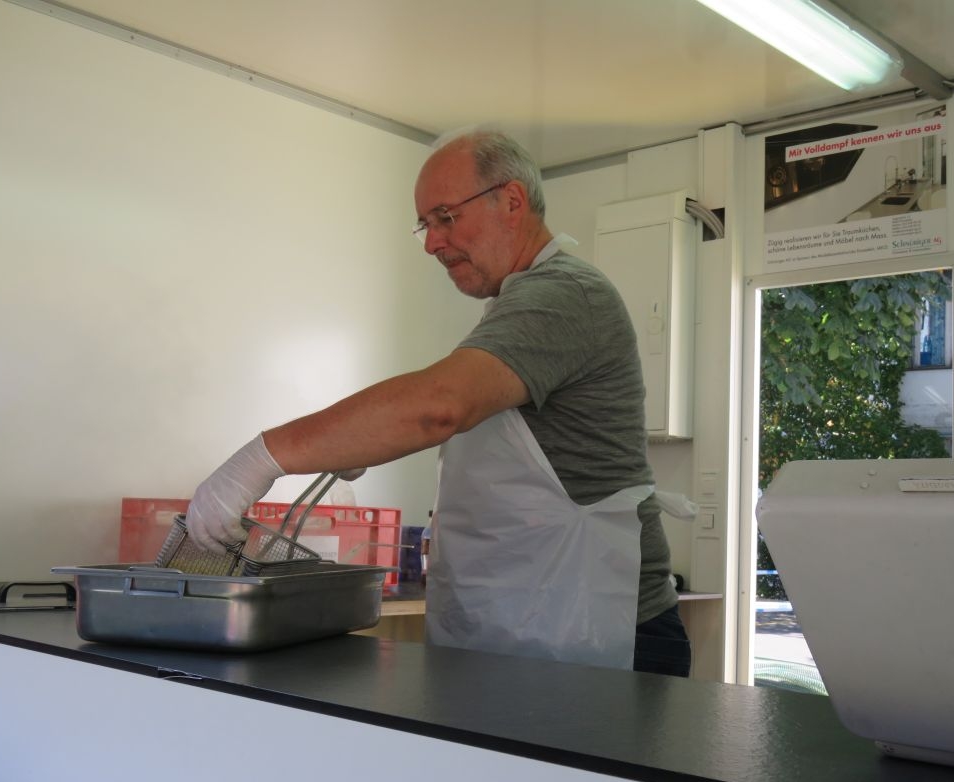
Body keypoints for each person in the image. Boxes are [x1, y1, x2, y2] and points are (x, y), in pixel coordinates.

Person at [186, 129, 691, 677]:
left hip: (601, 632)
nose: (431, 243)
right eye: (425, 224)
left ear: (512, 201)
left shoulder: (565, 293)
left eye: (446, 217)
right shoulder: (516, 304)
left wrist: (260, 459)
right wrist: (351, 442)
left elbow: (439, 404)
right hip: (535, 627)